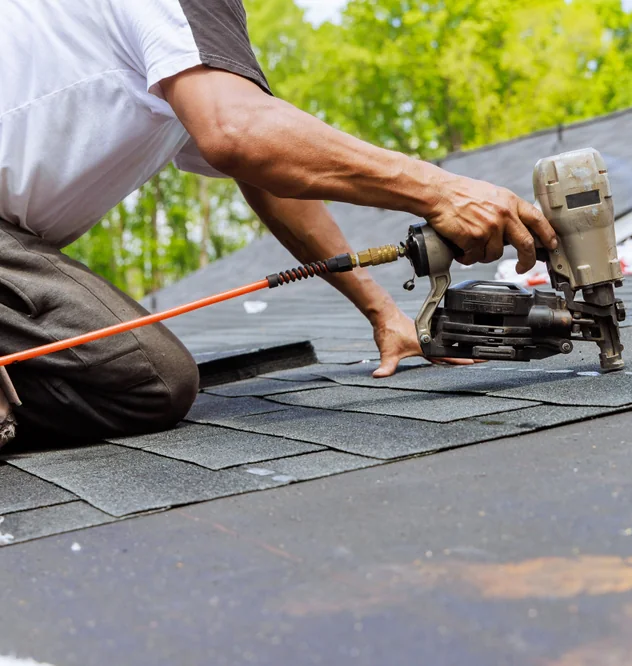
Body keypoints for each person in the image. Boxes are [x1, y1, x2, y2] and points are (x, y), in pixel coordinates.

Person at [0, 0, 557, 447]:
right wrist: (442, 191)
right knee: (146, 380)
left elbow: (266, 171)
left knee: (140, 375)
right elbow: (239, 132)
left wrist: (382, 312)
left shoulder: (188, 46)